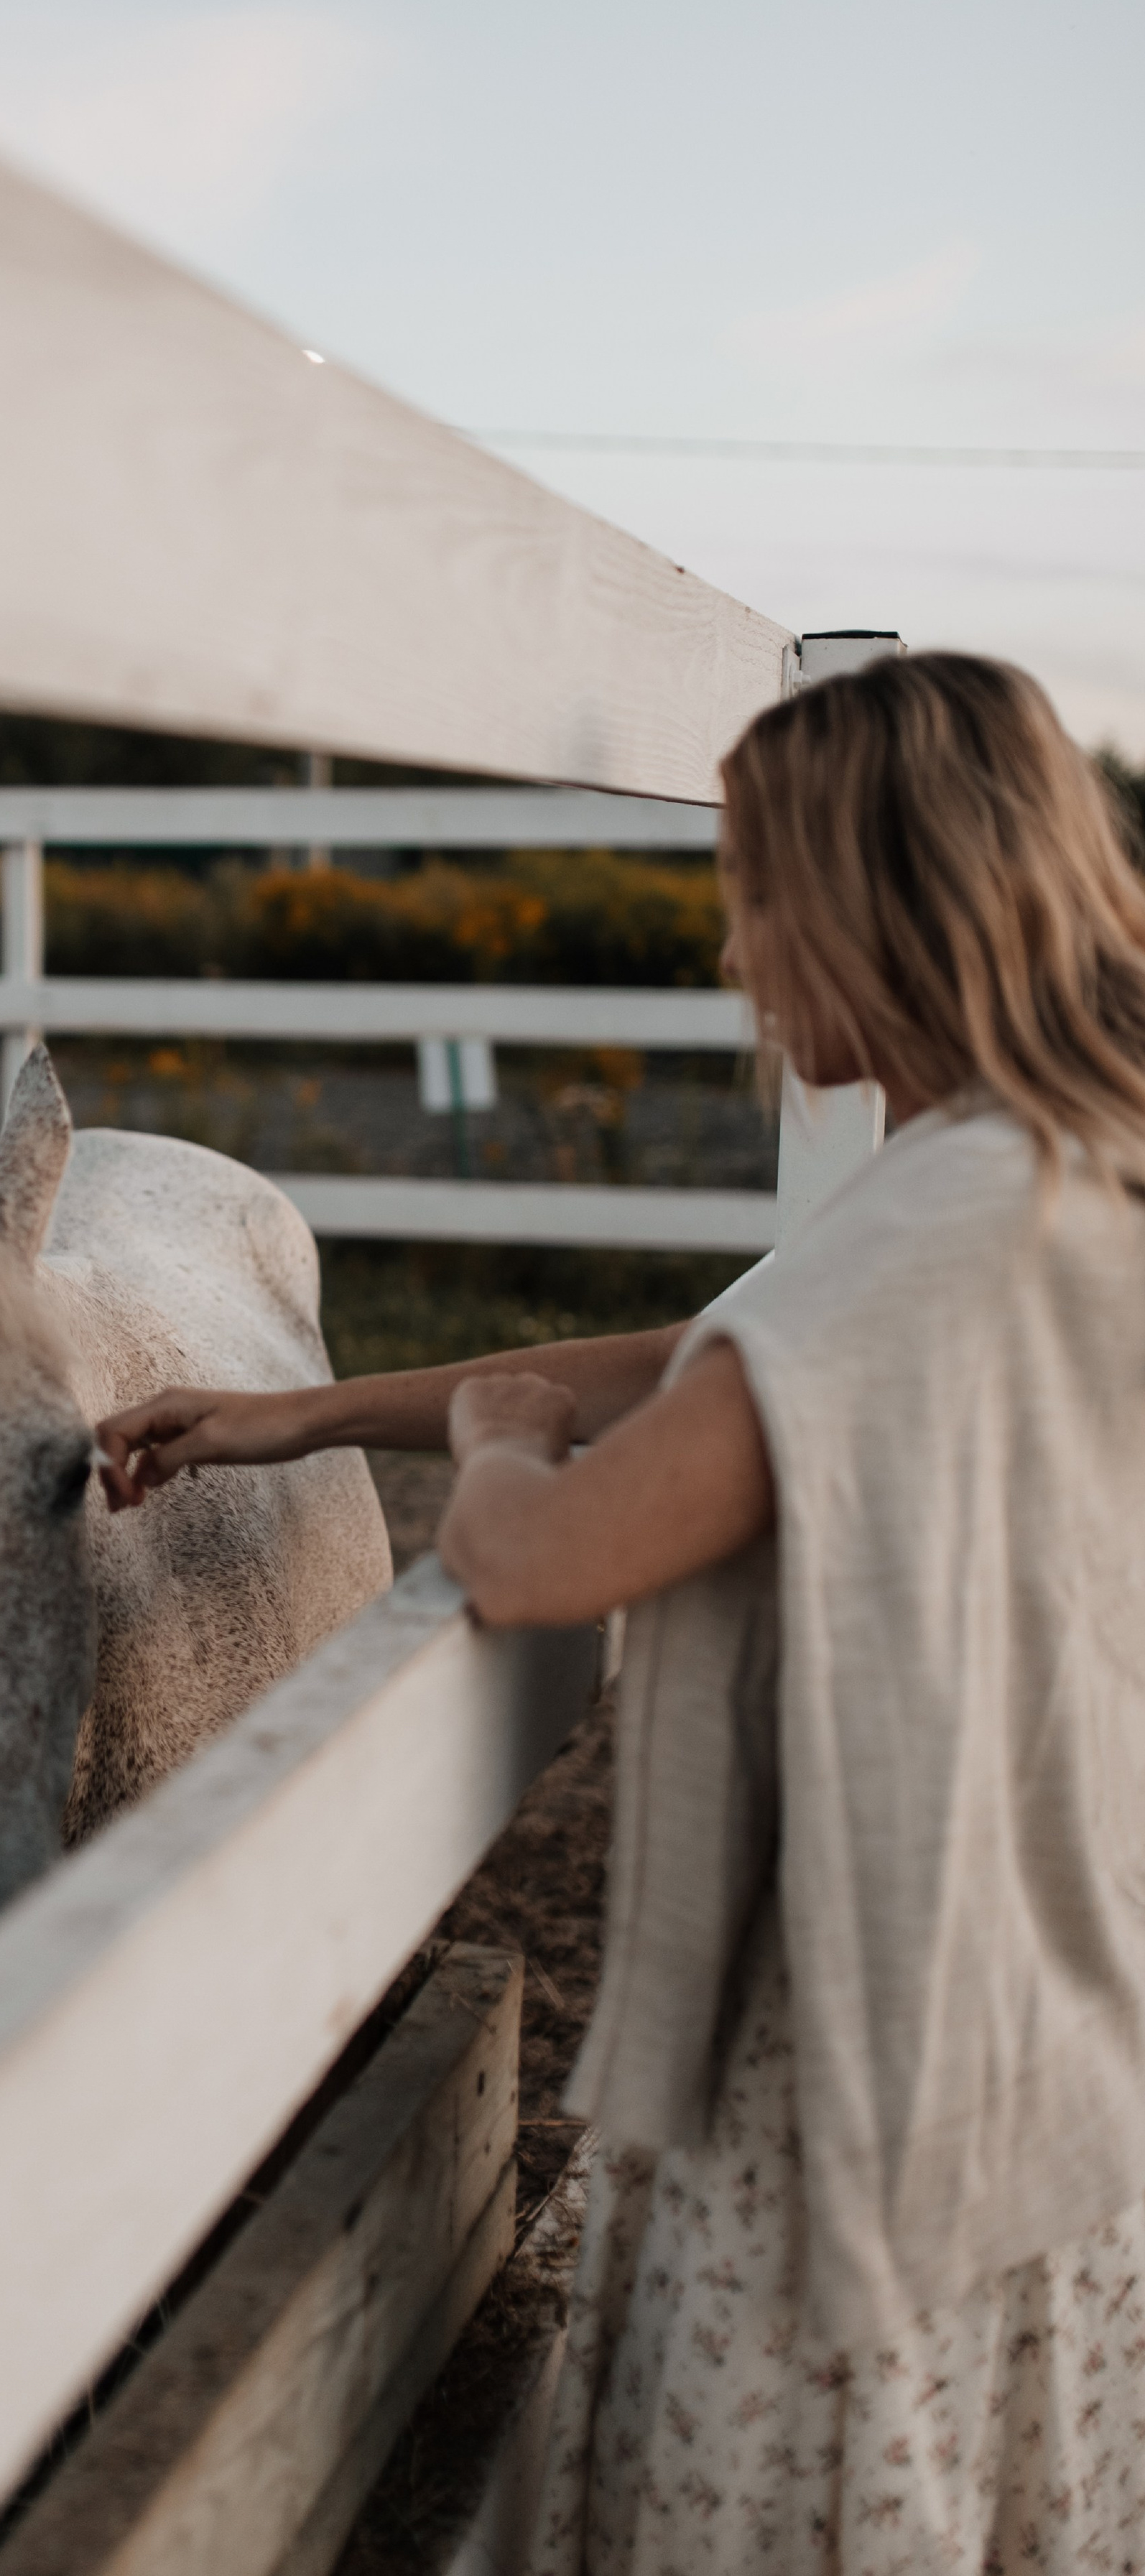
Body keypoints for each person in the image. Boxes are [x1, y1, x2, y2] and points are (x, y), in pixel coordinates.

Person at [96, 652, 1145, 2570]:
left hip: (856, 2060)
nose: (737, 950)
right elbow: (707, 1358)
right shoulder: (1063, 1170)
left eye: (758, 889)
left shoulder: (937, 1231)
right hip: (1052, 2021)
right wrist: (311, 1410)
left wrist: (492, 1449)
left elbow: (544, 1557)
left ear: (875, 895)